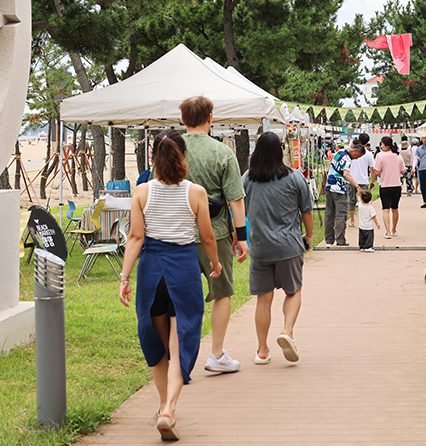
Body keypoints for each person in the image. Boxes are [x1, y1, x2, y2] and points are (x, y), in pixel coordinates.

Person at [118, 130, 221, 442]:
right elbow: (206, 237)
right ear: (183, 157)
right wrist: (215, 264)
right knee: (179, 348)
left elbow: (135, 238)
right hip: (184, 272)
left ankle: (164, 405)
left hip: (152, 274)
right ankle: (168, 410)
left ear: (153, 158)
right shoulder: (196, 193)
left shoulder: (142, 192)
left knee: (158, 347)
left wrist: (124, 277)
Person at [179, 96, 247, 374]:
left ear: (183, 120)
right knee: (222, 292)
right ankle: (216, 354)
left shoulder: (172, 150)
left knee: (181, 297)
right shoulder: (222, 152)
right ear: (210, 118)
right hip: (216, 233)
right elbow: (236, 200)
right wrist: (241, 236)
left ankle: (181, 361)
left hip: (176, 235)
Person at [242, 132, 314, 365]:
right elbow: (306, 211)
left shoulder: (247, 179)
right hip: (288, 246)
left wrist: (238, 238)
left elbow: (240, 212)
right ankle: (287, 331)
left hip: (260, 248)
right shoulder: (294, 177)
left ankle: (262, 351)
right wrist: (309, 235)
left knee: (264, 299)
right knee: (293, 291)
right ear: (281, 151)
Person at [324, 143, 365, 245]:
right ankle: (340, 240)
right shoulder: (347, 158)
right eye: (358, 156)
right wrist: (357, 186)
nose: (356, 159)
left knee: (329, 214)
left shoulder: (339, 153)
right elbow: (346, 174)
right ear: (355, 151)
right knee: (341, 214)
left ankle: (329, 240)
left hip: (329, 187)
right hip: (339, 189)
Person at [372, 136, 405, 238]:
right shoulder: (398, 157)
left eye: (382, 144)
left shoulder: (381, 157)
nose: (381, 146)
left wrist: (383, 175)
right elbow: (403, 171)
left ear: (386, 145)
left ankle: (388, 232)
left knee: (385, 209)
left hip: (385, 186)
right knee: (395, 208)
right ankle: (394, 230)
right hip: (396, 186)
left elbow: (376, 171)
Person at [347, 133, 375, 227]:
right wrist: (373, 180)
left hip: (350, 179)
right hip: (363, 180)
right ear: (367, 143)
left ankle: (352, 220)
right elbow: (372, 169)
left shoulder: (351, 151)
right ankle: (364, 220)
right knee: (364, 201)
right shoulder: (369, 154)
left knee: (351, 200)